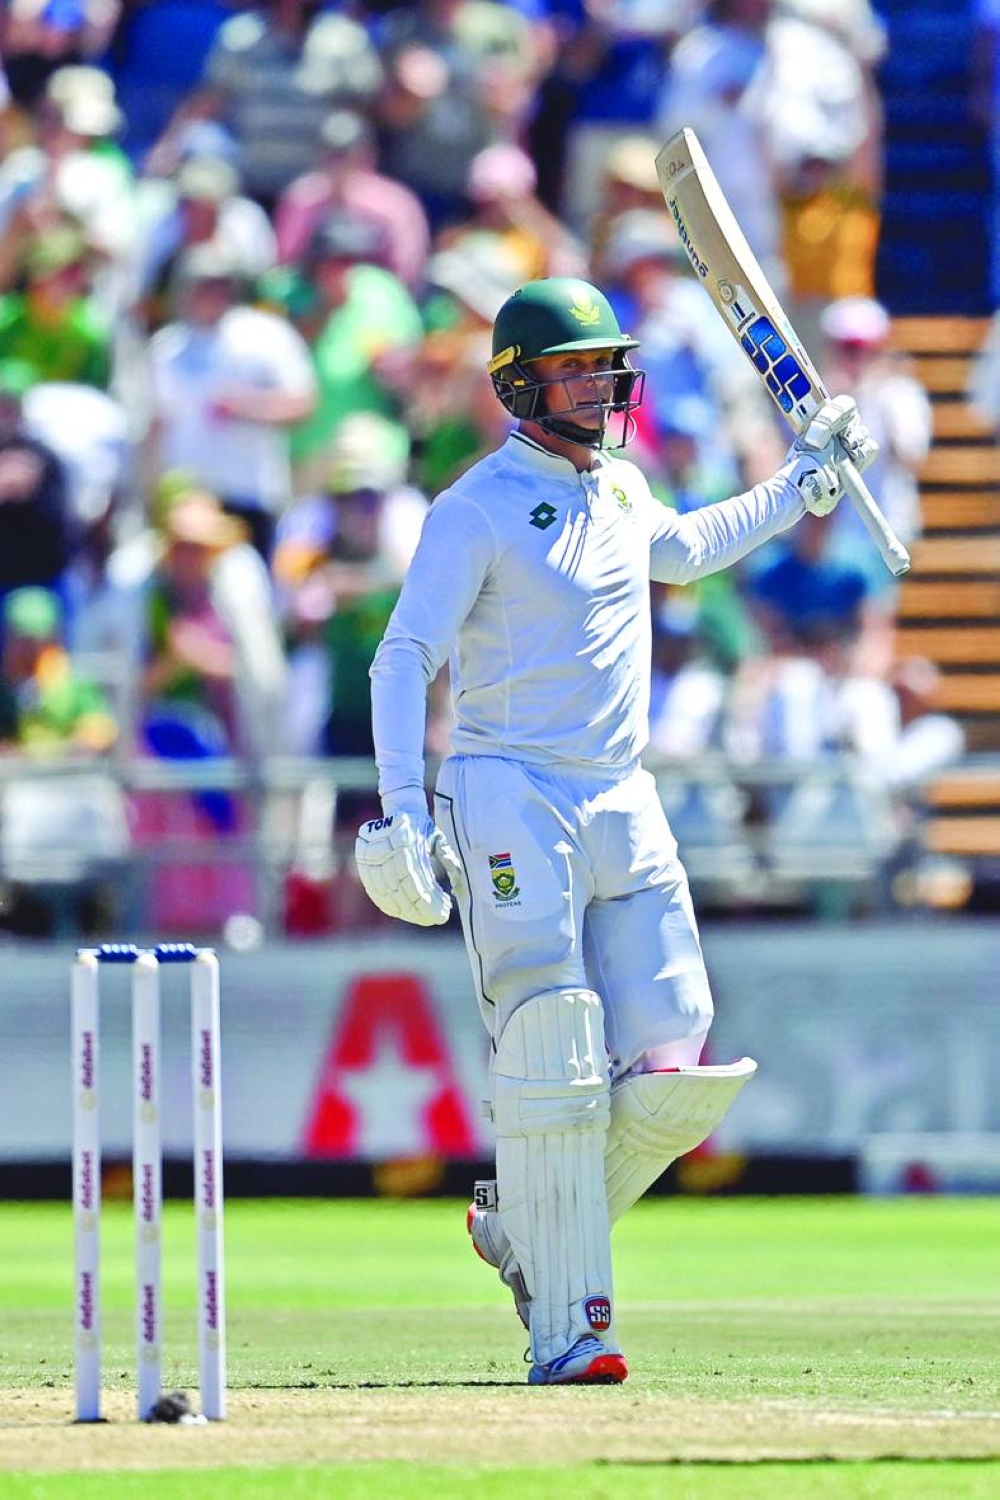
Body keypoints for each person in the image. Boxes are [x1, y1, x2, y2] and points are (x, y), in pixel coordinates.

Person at [354, 275, 877, 1386]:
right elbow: (403, 657)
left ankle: (522, 1229)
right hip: (505, 785)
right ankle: (569, 1331)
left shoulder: (624, 493)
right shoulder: (475, 507)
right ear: (518, 381)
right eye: (576, 367)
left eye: (605, 366)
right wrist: (402, 807)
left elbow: (685, 551)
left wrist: (803, 482)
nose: (599, 383)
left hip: (615, 786)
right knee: (552, 1035)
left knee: (681, 1053)